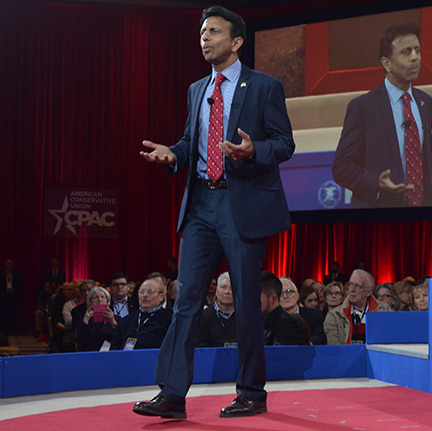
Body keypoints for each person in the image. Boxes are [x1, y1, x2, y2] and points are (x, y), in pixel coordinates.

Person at [133, 6, 295, 420]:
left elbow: (284, 143)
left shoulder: (265, 86)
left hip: (241, 203)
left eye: (214, 32)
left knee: (245, 300)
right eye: (203, 32)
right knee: (186, 300)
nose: (205, 38)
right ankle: (171, 394)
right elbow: (192, 141)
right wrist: (175, 154)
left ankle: (251, 393)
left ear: (236, 41)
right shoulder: (196, 89)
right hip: (201, 204)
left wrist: (253, 149)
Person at [332, 22, 432, 208]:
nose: (415, 58)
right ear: (387, 63)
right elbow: (342, 168)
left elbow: (424, 160)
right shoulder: (363, 107)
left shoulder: (426, 103)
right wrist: (376, 182)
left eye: (417, 50)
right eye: (406, 52)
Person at [324, 270, 390, 344]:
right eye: (350, 284)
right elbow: (335, 349)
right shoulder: (334, 315)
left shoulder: (385, 311)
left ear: (369, 292)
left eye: (357, 286)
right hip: (346, 354)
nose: (352, 290)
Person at [110, 279, 172, 350]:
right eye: (141, 292)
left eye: (150, 292)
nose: (145, 295)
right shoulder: (126, 320)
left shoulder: (169, 318)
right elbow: (114, 350)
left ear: (161, 297)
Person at [260, 272, 308, 346]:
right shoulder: (252, 322)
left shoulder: (288, 326)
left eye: (256, 297)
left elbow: (281, 356)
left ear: (273, 299)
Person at [279, 277, 326, 345]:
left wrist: (305, 345)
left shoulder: (314, 315)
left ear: (297, 295)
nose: (285, 296)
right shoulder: (272, 319)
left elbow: (320, 337)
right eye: (280, 294)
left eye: (289, 291)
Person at [196, 272, 237, 347]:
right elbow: (201, 348)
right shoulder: (203, 316)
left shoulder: (245, 317)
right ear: (216, 291)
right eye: (223, 287)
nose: (227, 292)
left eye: (232, 288)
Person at [75, 286, 119, 351]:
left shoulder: (116, 318)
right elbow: (80, 340)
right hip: (90, 353)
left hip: (111, 353)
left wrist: (112, 321)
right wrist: (86, 318)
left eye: (102, 297)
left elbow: (119, 339)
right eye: (95, 297)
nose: (99, 300)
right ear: (90, 301)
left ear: (107, 300)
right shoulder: (84, 318)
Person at [0, 258, 23, 334]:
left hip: (14, 297)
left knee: (13, 315)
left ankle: (13, 330)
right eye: (7, 263)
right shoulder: (0, 274)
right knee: (3, 314)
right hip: (3, 297)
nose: (9, 265)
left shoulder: (17, 274)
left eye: (10, 263)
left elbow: (20, 286)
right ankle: (4, 330)